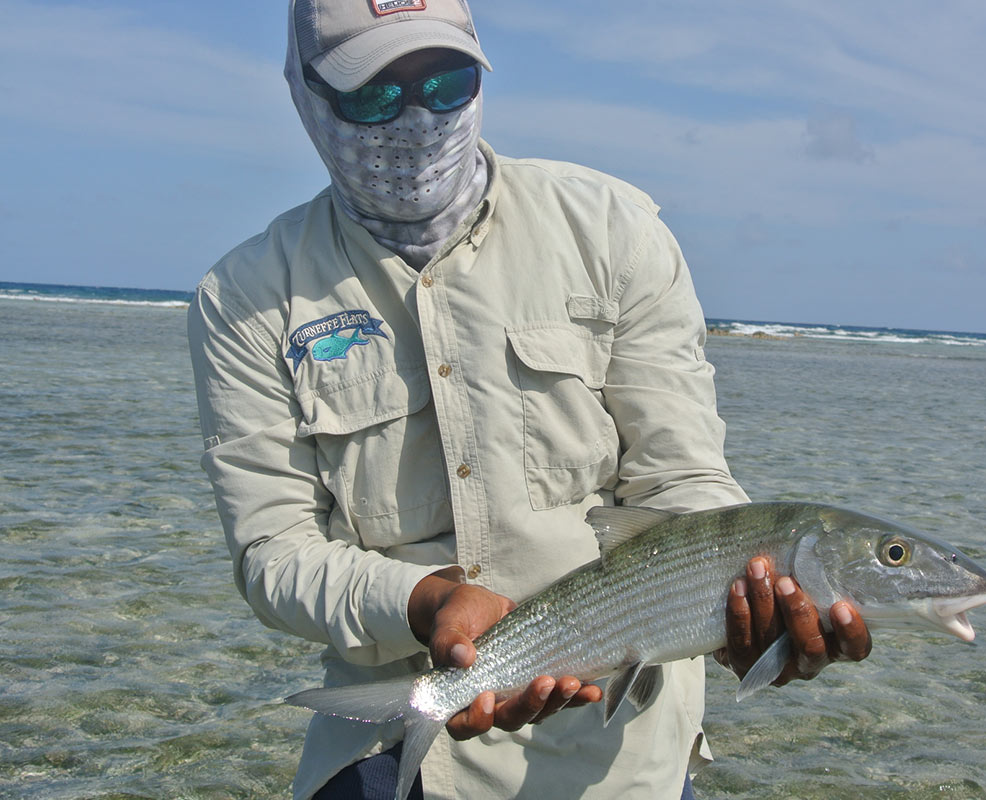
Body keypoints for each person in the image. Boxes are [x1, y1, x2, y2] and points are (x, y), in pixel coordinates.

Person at [188, 2, 871, 798]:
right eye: (373, 95)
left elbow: (681, 480)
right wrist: (423, 601)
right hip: (394, 751)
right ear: (303, 95)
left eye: (447, 83)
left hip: (623, 756)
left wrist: (746, 601)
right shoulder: (244, 297)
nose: (417, 118)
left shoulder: (613, 229)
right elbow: (273, 555)